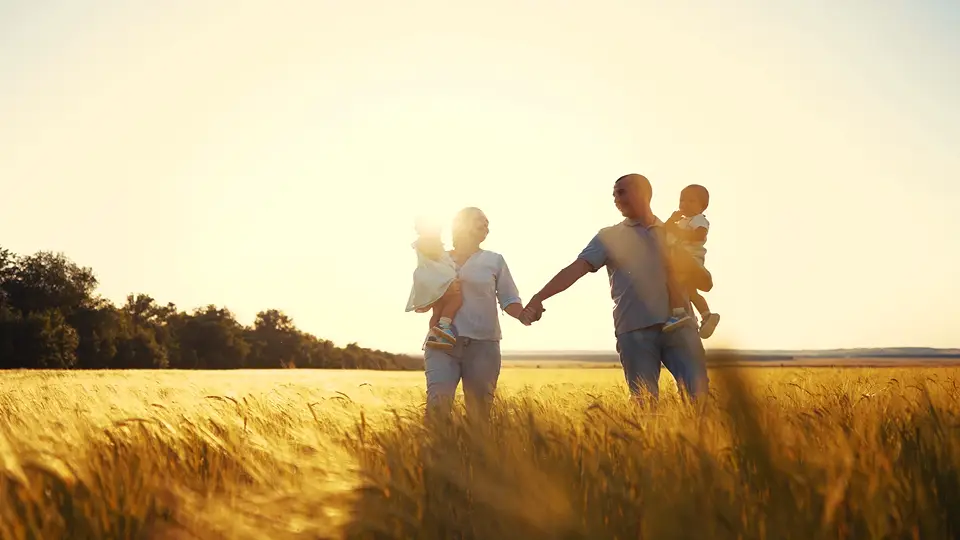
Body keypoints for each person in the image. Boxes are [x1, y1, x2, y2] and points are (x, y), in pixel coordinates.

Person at [521, 174, 710, 401]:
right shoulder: (608, 237)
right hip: (634, 330)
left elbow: (705, 283)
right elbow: (575, 270)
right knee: (644, 403)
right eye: (614, 194)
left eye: (621, 192)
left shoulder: (674, 233)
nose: (616, 199)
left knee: (698, 399)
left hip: (681, 327)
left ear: (644, 193)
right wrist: (539, 297)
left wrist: (674, 253)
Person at [421, 207, 529, 418]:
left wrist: (525, 315)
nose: (486, 226)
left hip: (483, 346)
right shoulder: (436, 258)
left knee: (479, 415)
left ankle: (475, 452)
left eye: (487, 223)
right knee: (437, 408)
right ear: (462, 224)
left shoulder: (494, 260)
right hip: (441, 343)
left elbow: (509, 299)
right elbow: (421, 299)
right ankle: (435, 451)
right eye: (481, 221)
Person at [662, 184, 721, 339]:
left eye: (691, 201)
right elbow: (664, 230)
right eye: (682, 200)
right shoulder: (681, 222)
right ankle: (707, 315)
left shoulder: (699, 220)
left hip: (689, 260)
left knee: (672, 281)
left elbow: (699, 236)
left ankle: (679, 313)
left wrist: (678, 232)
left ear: (703, 206)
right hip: (680, 260)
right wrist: (671, 220)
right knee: (689, 291)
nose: (685, 204)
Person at [405, 217, 463, 349]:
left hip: (431, 278)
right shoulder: (428, 242)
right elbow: (435, 256)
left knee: (437, 310)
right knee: (456, 299)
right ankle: (444, 325)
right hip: (437, 277)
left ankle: (433, 334)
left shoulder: (424, 242)